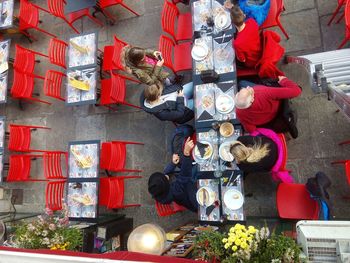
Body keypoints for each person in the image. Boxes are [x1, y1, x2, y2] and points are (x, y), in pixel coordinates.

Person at [234, 76, 302, 136]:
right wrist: (284, 80)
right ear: (251, 100)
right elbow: (297, 91)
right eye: (249, 91)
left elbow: (251, 130)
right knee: (241, 82)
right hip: (279, 109)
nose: (248, 87)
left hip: (269, 122)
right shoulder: (263, 92)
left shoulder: (239, 112)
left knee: (241, 83)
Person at [148, 138, 198, 212]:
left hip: (186, 182)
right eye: (165, 178)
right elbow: (184, 176)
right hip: (193, 196)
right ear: (167, 186)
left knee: (195, 167)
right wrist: (186, 153)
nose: (166, 175)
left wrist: (173, 164)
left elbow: (165, 174)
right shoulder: (175, 191)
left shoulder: (159, 190)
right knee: (198, 168)